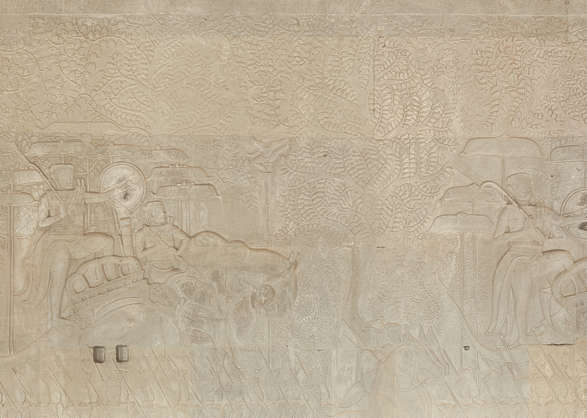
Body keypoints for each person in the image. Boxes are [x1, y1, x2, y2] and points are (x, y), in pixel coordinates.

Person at [486, 173, 584, 345]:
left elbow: (563, 221)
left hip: (537, 257)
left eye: (524, 185)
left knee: (564, 258)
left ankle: (571, 296)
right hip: (517, 258)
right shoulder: (509, 212)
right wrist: (523, 232)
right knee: (522, 297)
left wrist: (583, 216)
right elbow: (496, 241)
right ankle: (521, 337)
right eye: (517, 186)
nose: (522, 189)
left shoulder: (541, 211)